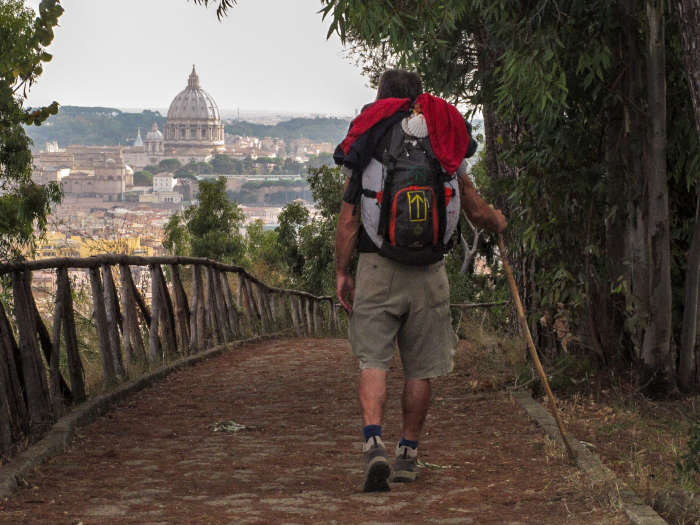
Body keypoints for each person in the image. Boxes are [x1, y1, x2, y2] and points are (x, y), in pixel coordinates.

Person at [334, 70, 508, 492]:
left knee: (373, 361)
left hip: (377, 267)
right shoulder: (443, 137)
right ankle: (408, 452)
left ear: (381, 99)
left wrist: (342, 271)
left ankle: (372, 441)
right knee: (420, 368)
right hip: (429, 272)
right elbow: (473, 207)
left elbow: (348, 221)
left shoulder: (372, 139)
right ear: (420, 97)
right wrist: (498, 222)